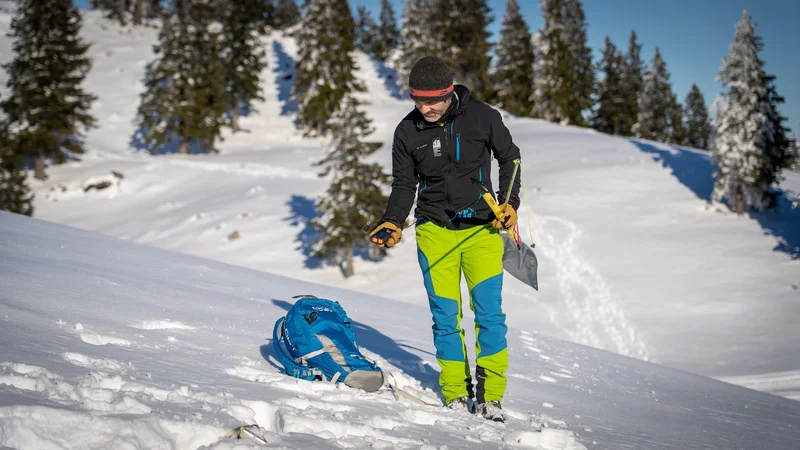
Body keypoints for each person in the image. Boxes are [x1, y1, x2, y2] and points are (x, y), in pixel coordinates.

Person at [368, 56, 521, 423]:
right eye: (417, 100)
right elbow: (404, 184)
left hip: (483, 230)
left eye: (432, 100)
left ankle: (491, 396)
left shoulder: (483, 117)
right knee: (445, 317)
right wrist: (392, 220)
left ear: (449, 92)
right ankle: (454, 392)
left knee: (489, 316)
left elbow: (510, 159)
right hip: (434, 231)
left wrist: (509, 204)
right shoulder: (407, 131)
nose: (425, 108)